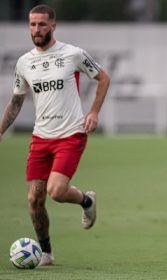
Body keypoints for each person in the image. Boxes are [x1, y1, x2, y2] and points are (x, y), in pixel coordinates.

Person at [0, 4, 110, 266]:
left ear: (53, 26)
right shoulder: (24, 62)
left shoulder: (73, 54)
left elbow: (104, 79)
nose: (36, 29)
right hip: (41, 138)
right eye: (32, 24)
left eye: (41, 24)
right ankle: (46, 253)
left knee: (57, 192)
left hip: (70, 134)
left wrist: (93, 112)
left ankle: (86, 201)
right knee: (34, 198)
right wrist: (1, 129)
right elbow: (16, 101)